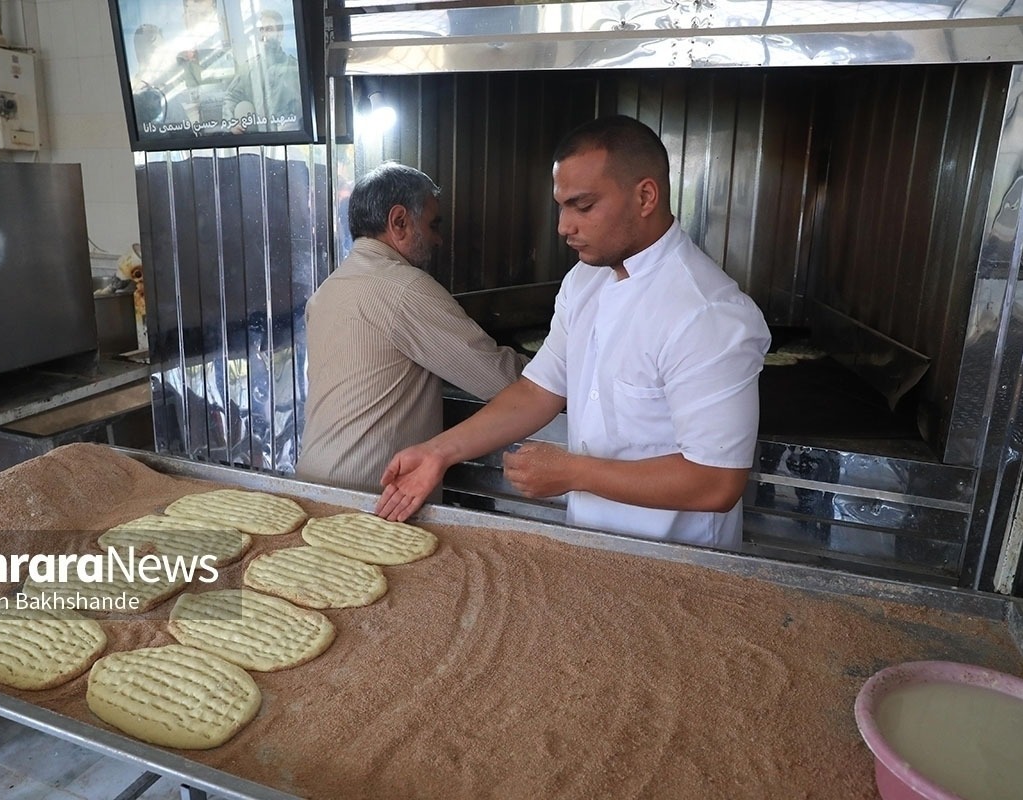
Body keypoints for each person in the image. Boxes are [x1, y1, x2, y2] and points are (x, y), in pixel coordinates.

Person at [375, 115, 771, 550]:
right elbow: (537, 392)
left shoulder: (707, 313)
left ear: (645, 196)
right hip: (587, 546)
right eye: (561, 206)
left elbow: (717, 482)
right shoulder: (585, 281)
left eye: (582, 206)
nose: (564, 226)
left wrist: (574, 472)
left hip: (678, 565)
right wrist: (439, 452)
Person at [295, 162, 527, 495]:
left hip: (314, 482)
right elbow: (503, 381)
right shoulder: (406, 288)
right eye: (433, 225)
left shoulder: (327, 290)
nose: (438, 239)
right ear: (399, 221)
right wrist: (562, 368)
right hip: (372, 496)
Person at [223, 8, 303, 131]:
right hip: (258, 137)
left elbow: (303, 107)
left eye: (269, 29)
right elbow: (231, 96)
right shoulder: (249, 68)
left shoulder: (293, 69)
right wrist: (231, 125)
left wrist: (296, 123)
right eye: (262, 30)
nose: (264, 35)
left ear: (280, 34)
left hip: (286, 137)